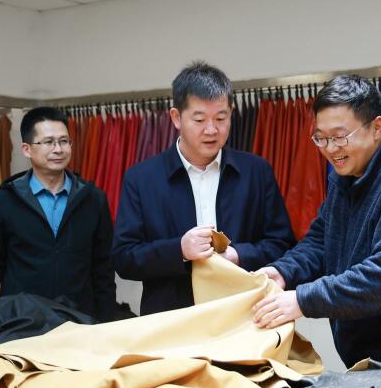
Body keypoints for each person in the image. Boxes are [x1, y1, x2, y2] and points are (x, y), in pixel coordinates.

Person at [252, 74, 381, 371]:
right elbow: (321, 240)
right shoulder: (345, 175)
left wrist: (303, 300)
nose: (330, 148)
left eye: (340, 136)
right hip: (364, 357)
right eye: (321, 138)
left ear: (376, 127)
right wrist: (283, 272)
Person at [112, 61, 295, 315]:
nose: (211, 130)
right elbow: (124, 258)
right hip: (172, 319)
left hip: (245, 315)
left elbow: (283, 244)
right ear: (176, 118)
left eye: (221, 118)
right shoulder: (141, 179)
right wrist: (179, 250)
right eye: (199, 119)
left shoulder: (256, 171)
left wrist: (238, 255)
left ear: (231, 113)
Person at [0, 106, 115, 322]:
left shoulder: (93, 199)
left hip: (80, 323)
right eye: (48, 142)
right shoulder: (2, 202)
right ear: (27, 149)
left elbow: (103, 271)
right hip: (21, 324)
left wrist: (107, 326)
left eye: (64, 141)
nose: (58, 149)